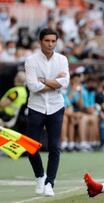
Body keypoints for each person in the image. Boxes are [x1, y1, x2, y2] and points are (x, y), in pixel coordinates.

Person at [25, 28, 70, 196]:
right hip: (36, 107)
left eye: (53, 41)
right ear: (40, 41)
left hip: (56, 106)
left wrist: (43, 81)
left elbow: (65, 82)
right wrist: (54, 82)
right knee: (31, 147)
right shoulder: (31, 60)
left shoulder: (62, 59)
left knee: (54, 147)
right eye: (47, 41)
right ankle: (40, 176)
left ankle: (50, 182)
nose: (50, 44)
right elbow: (32, 86)